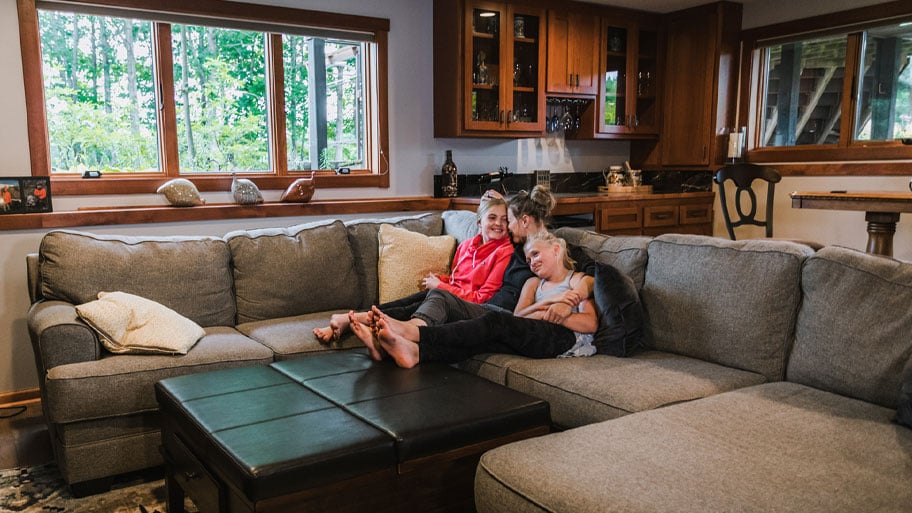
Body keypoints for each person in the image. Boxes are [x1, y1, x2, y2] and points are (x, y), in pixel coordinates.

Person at [351, 232, 597, 367]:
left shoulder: (576, 280)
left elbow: (590, 324)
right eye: (528, 258)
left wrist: (563, 314)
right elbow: (520, 316)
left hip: (563, 340)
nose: (532, 262)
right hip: (533, 332)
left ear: (555, 250)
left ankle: (415, 333)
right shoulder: (533, 284)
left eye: (536, 254)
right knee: (479, 342)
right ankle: (412, 352)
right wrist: (545, 307)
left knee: (494, 322)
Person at [314, 195, 513, 342]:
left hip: (469, 308)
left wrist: (441, 287)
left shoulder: (505, 251)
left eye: (504, 219)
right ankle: (353, 319)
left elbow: (483, 298)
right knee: (409, 302)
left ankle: (353, 319)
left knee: (419, 303)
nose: (498, 224)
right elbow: (456, 279)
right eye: (492, 218)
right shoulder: (466, 246)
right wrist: (440, 280)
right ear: (479, 222)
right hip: (449, 298)